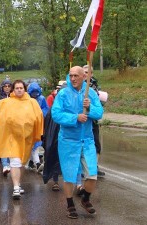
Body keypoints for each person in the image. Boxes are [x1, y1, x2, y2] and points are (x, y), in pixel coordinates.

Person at [51, 66, 103, 219]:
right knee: (69, 176)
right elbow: (56, 114)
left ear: (83, 77)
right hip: (68, 141)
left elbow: (99, 113)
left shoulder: (91, 93)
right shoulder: (63, 94)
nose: (73, 79)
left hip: (87, 141)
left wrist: (90, 107)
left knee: (92, 175)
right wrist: (75, 118)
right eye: (71, 75)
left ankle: (85, 199)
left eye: (76, 76)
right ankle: (70, 205)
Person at [0, 80, 43, 200]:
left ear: (24, 89)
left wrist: (38, 133)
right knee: (14, 161)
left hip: (26, 138)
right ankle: (15, 188)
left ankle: (18, 184)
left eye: (21, 88)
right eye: (17, 88)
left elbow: (39, 118)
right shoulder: (5, 103)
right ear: (13, 90)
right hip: (12, 137)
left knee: (22, 162)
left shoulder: (32, 103)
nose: (19, 90)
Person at [83, 65, 105, 177]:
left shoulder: (94, 86)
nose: (85, 74)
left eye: (88, 72)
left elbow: (99, 104)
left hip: (93, 120)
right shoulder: (77, 86)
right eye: (84, 72)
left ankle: (94, 166)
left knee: (96, 145)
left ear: (91, 74)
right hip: (81, 121)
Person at [27, 82, 49, 172]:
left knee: (35, 144)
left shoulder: (42, 99)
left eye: (36, 92)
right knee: (33, 144)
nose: (35, 94)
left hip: (39, 124)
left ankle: (33, 162)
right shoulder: (27, 99)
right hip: (29, 124)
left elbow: (46, 109)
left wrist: (39, 114)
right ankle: (37, 162)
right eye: (33, 92)